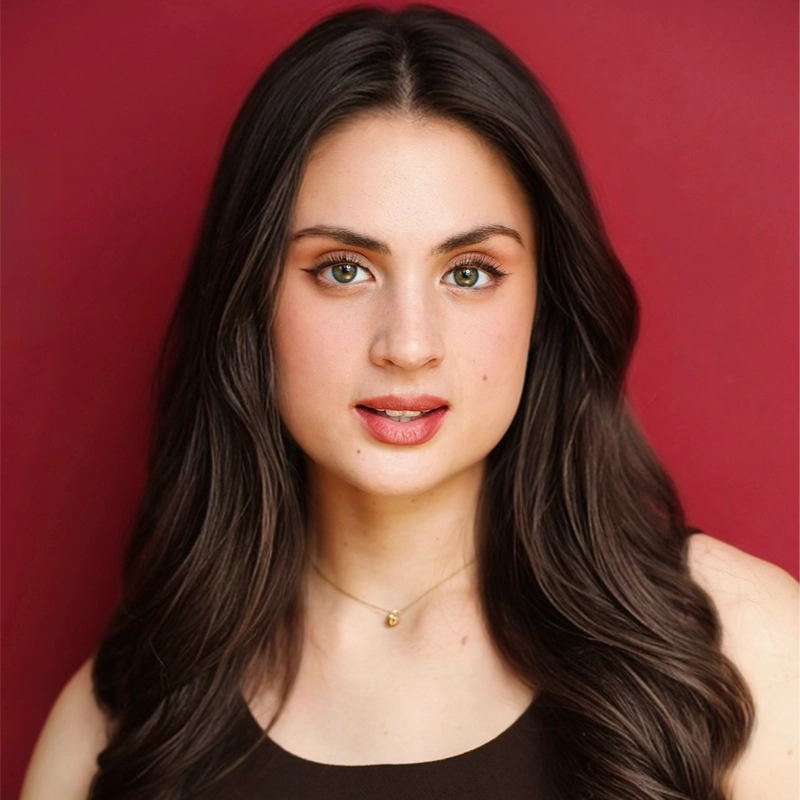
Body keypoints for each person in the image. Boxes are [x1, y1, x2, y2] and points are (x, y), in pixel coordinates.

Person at [21, 5, 798, 799]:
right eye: (343, 268)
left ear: (545, 306)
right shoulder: (124, 721)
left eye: (469, 272)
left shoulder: (742, 652)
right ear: (250, 298)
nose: (408, 344)